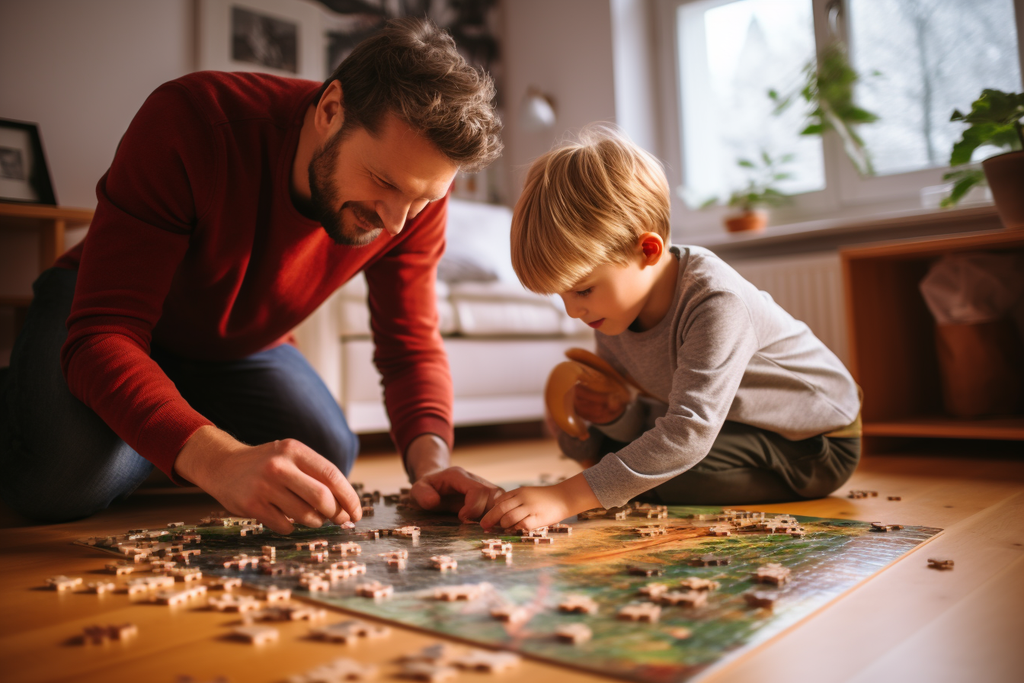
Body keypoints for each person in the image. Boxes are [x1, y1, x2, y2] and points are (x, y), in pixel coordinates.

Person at [0, 18, 506, 532]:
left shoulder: (414, 197)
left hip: (240, 342)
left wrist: (433, 467)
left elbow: (410, 346)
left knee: (327, 456)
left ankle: (145, 415)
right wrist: (216, 458)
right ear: (331, 110)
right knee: (63, 481)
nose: (396, 221)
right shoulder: (193, 119)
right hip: (105, 315)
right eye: (381, 181)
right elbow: (103, 331)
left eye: (422, 200)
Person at [480, 127, 862, 532]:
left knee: (649, 474)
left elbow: (688, 432)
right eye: (561, 296)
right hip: (732, 428)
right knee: (620, 457)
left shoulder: (715, 301)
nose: (573, 310)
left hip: (815, 445)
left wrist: (565, 496)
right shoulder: (612, 311)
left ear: (647, 250)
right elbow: (648, 416)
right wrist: (617, 412)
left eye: (583, 289)